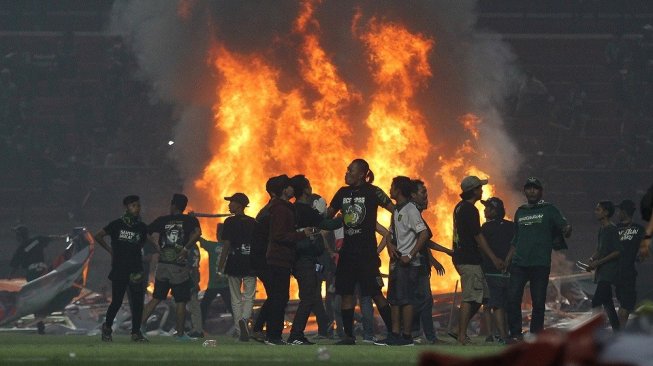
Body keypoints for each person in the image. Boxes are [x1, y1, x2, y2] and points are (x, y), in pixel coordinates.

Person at [327, 159, 395, 345]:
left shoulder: (374, 192)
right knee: (346, 294)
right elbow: (328, 216)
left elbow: (396, 211)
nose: (346, 173)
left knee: (375, 293)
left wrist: (394, 234)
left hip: (367, 254)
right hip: (347, 254)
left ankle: (394, 334)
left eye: (350, 170)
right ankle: (349, 337)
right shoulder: (342, 192)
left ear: (361, 174)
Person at [507, 177, 572, 342]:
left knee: (538, 302)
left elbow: (564, 225)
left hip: (540, 263)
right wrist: (508, 259)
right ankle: (515, 334)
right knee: (513, 299)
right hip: (519, 263)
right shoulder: (520, 211)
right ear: (525, 191)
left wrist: (567, 229)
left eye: (535, 188)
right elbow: (516, 239)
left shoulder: (549, 209)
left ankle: (536, 336)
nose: (532, 191)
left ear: (540, 191)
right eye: (529, 188)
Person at [450, 176, 505, 345]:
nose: (482, 190)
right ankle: (461, 335)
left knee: (482, 296)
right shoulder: (469, 209)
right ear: (473, 190)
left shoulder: (459, 207)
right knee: (471, 297)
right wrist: (494, 258)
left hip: (463, 257)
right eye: (479, 188)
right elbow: (478, 236)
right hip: (468, 259)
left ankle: (457, 330)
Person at [287, 175, 341, 345]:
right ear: (305, 190)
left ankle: (301, 333)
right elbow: (329, 225)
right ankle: (296, 334)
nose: (311, 189)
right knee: (309, 297)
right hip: (306, 260)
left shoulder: (292, 209)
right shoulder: (305, 210)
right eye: (309, 186)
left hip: (299, 260)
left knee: (310, 296)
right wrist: (346, 216)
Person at [375, 176, 429, 346]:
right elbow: (391, 233)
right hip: (397, 263)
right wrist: (390, 245)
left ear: (398, 190)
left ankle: (407, 337)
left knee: (406, 300)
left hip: (409, 264)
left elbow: (424, 233)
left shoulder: (411, 210)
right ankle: (395, 334)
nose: (389, 189)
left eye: (392, 186)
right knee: (395, 300)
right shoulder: (397, 210)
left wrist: (410, 255)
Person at [141, 193, 201, 340]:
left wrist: (156, 246)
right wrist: (186, 248)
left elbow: (145, 232)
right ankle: (180, 335)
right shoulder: (189, 220)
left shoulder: (163, 220)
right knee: (181, 300)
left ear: (173, 205)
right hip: (178, 266)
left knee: (156, 298)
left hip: (162, 265)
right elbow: (198, 233)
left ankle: (137, 328)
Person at [265, 175, 315, 345]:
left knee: (279, 297)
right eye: (288, 186)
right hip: (279, 259)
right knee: (279, 298)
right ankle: (274, 336)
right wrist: (302, 234)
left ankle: (273, 335)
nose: (292, 188)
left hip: (282, 259)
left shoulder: (284, 207)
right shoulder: (280, 209)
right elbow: (279, 235)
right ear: (284, 190)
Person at [94, 195, 149, 342]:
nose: (137, 208)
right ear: (127, 208)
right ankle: (107, 328)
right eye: (134, 206)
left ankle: (136, 333)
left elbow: (141, 244)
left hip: (136, 269)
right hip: (119, 269)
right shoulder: (116, 224)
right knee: (117, 302)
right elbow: (98, 236)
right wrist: (110, 250)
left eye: (138, 205)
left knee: (137, 303)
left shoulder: (142, 227)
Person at [407, 179, 449, 344]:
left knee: (418, 301)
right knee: (425, 301)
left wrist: (442, 253)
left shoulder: (414, 214)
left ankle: (415, 334)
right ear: (413, 195)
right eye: (422, 192)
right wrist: (436, 258)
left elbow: (422, 241)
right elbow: (423, 240)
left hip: (419, 265)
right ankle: (429, 336)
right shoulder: (412, 213)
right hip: (416, 266)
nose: (426, 196)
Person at [218, 193, 258, 342]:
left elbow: (227, 245)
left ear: (239, 205)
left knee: (235, 298)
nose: (229, 205)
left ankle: (238, 329)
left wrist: (220, 266)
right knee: (249, 296)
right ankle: (244, 321)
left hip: (234, 262)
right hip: (250, 263)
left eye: (232, 202)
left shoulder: (229, 222)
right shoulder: (253, 222)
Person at [480, 197, 514, 343]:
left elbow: (482, 247)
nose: (484, 210)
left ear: (494, 210)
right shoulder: (512, 226)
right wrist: (507, 261)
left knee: (496, 304)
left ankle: (503, 336)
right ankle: (508, 333)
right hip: (509, 272)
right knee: (507, 304)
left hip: (491, 271)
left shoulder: (485, 228)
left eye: (487, 208)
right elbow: (515, 245)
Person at [586, 201, 621, 331]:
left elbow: (617, 251)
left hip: (608, 272)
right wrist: (592, 258)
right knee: (608, 304)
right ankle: (618, 332)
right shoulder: (602, 229)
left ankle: (593, 333)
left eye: (598, 209)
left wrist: (598, 263)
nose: (596, 212)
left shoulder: (612, 229)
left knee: (596, 302)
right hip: (601, 272)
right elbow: (600, 249)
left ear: (606, 212)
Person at [250, 178, 276, 342]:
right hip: (265, 260)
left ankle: (263, 329)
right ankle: (259, 328)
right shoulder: (270, 211)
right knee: (276, 294)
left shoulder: (268, 210)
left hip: (264, 259)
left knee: (276, 294)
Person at [614, 200, 644, 328]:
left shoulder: (615, 228)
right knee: (626, 305)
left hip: (618, 272)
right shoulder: (638, 229)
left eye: (619, 210)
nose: (617, 213)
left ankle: (619, 332)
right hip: (626, 272)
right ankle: (620, 334)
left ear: (624, 212)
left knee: (623, 305)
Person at [198, 224, 232, 330]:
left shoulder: (212, 246)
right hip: (225, 283)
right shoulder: (231, 247)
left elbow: (198, 238)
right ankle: (240, 328)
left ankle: (200, 327)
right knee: (232, 307)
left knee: (204, 305)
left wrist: (194, 221)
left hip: (214, 284)